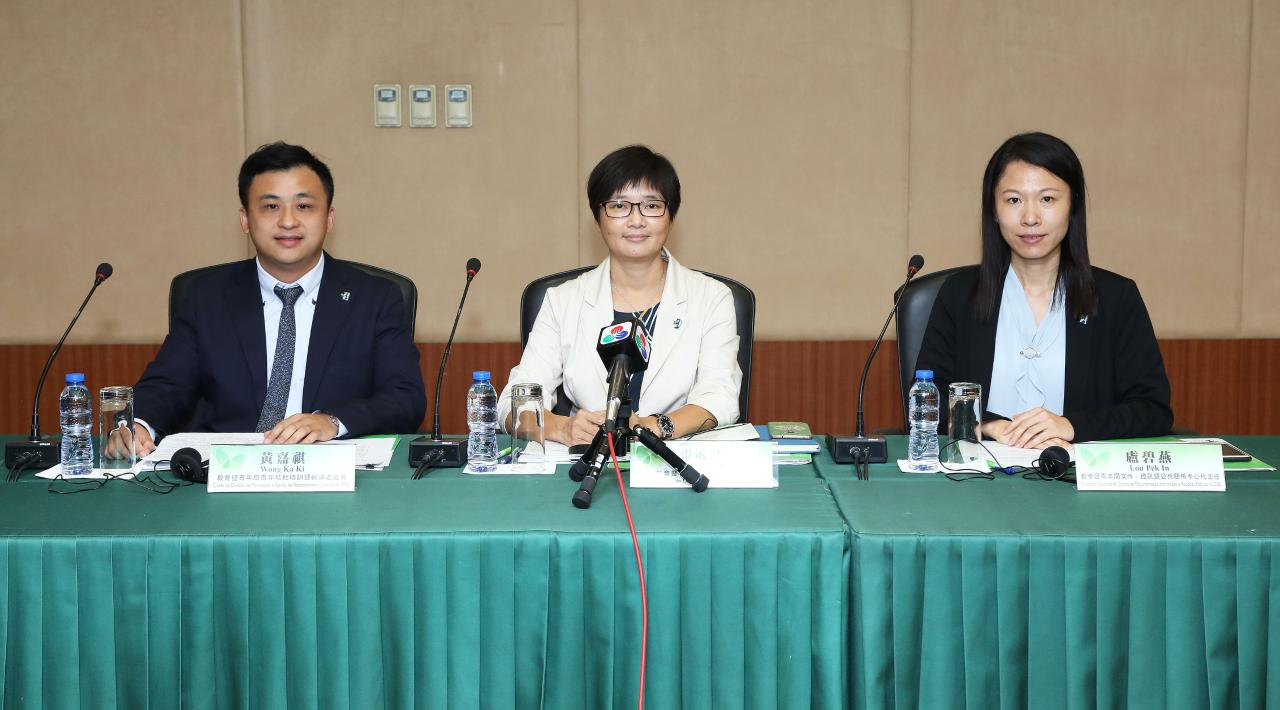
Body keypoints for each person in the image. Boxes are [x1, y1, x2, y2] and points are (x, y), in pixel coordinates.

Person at [112, 142, 426, 456]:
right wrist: (137, 424)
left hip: (333, 468)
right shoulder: (206, 297)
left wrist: (333, 422)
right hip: (226, 470)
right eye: (271, 206)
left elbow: (404, 398)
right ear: (245, 219)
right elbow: (167, 384)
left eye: (304, 206)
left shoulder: (374, 298)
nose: (288, 221)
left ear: (329, 219)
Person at [916, 132, 1173, 448]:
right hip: (980, 470)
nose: (1030, 218)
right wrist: (986, 425)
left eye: (1047, 199)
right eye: (1014, 200)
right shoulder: (959, 295)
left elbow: (1152, 409)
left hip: (1073, 471)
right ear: (993, 209)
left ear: (1072, 206)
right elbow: (926, 401)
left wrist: (1071, 426)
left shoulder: (1116, 298)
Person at [498, 145, 742, 446]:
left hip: (673, 459)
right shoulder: (563, 300)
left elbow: (720, 399)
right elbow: (514, 404)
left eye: (651, 205)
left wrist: (656, 426)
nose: (636, 220)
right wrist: (562, 428)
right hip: (585, 460)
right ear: (598, 219)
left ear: (671, 217)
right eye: (619, 206)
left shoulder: (712, 298)